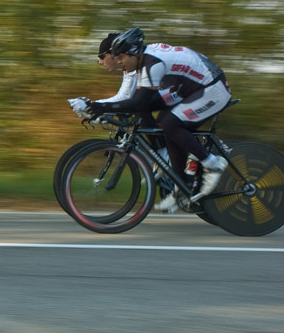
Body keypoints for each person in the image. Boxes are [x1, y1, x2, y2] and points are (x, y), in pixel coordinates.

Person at [85, 28, 231, 212]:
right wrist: (102, 108)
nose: (119, 61)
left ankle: (213, 164)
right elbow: (138, 103)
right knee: (165, 125)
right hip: (191, 88)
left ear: (133, 53)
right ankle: (181, 188)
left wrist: (101, 107)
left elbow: (137, 101)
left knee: (171, 123)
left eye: (121, 57)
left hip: (213, 89)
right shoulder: (142, 61)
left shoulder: (152, 64)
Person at [68, 33, 139, 117]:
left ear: (114, 54)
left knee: (141, 110)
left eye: (102, 56)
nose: (100, 62)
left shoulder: (133, 67)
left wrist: (91, 106)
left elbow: (124, 98)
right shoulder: (128, 68)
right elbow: (122, 98)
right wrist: (94, 106)